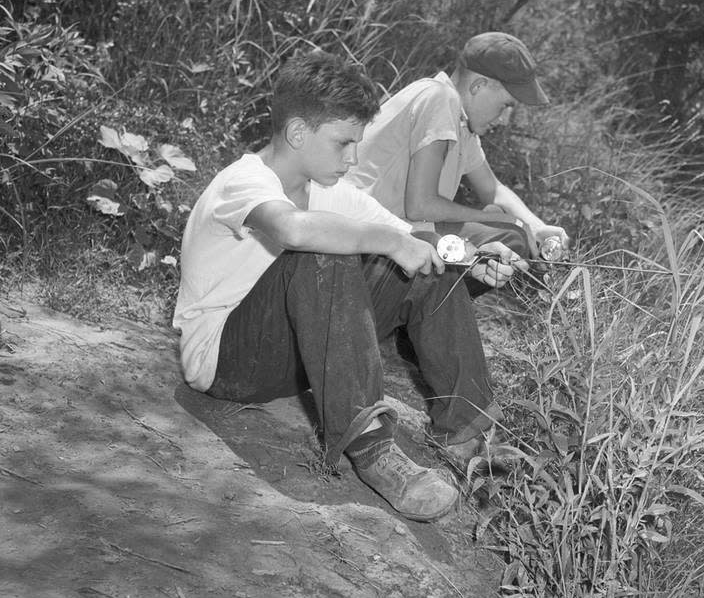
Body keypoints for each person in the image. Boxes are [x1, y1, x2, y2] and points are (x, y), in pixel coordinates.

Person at [172, 50, 525, 523]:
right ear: (298, 132)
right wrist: (386, 241)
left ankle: (468, 432)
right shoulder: (242, 181)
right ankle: (375, 450)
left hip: (295, 359)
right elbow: (294, 231)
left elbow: (410, 236)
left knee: (426, 266)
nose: (354, 157)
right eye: (343, 143)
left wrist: (468, 257)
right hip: (228, 362)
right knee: (323, 250)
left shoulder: (330, 189)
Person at [344, 31, 569, 266]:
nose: (504, 120)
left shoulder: (462, 124)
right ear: (478, 85)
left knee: (509, 229)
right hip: (362, 235)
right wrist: (510, 223)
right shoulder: (439, 97)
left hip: (393, 231)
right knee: (508, 235)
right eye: (505, 106)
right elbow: (420, 206)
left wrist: (536, 227)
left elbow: (493, 190)